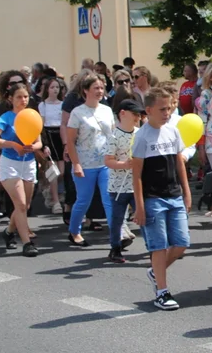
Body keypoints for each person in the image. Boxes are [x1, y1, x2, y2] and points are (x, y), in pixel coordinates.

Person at [131, 88, 191, 310]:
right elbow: (136, 174)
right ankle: (162, 292)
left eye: (169, 108)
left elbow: (179, 163)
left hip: (173, 195)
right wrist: (139, 206)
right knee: (159, 245)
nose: (167, 113)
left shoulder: (173, 132)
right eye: (162, 109)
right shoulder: (141, 137)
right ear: (148, 110)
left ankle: (156, 271)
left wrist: (186, 191)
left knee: (182, 242)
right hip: (152, 198)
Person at [0, 83, 43, 257]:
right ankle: (27, 243)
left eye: (25, 97)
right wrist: (13, 144)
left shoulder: (32, 116)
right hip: (10, 163)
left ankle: (9, 231)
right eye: (19, 97)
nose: (23, 100)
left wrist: (33, 147)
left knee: (25, 205)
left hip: (28, 163)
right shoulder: (6, 118)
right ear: (10, 99)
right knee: (19, 204)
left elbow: (39, 142)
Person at [66, 74, 115, 247]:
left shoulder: (107, 110)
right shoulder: (77, 113)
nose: (100, 91)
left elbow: (113, 136)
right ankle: (74, 231)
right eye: (96, 88)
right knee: (83, 200)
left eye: (102, 88)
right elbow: (71, 141)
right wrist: (76, 164)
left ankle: (116, 235)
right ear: (86, 90)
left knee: (109, 199)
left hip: (106, 163)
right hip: (85, 164)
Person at [105, 98, 143, 264]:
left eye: (139, 114)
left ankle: (154, 247)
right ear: (122, 113)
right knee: (118, 219)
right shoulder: (114, 136)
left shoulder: (139, 133)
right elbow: (108, 160)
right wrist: (124, 164)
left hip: (136, 185)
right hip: (118, 186)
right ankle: (115, 248)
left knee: (143, 216)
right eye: (134, 114)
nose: (138, 118)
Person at [38, 77, 67, 214]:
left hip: (60, 135)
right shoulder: (43, 105)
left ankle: (50, 191)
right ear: (47, 89)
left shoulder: (63, 104)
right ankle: (56, 201)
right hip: (49, 135)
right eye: (52, 87)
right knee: (53, 171)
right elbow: (41, 126)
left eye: (57, 87)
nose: (55, 89)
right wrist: (44, 144)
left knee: (62, 171)